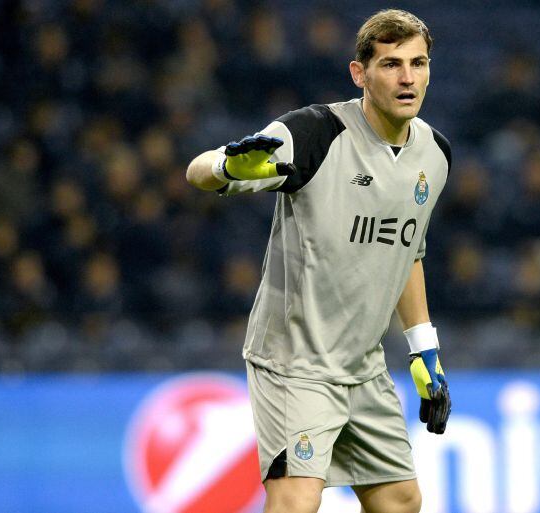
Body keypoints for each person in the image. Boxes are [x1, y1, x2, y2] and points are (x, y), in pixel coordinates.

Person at [186, 9, 451, 513]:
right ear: (360, 74)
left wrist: (424, 350)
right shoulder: (313, 134)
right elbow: (197, 172)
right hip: (296, 361)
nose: (408, 77)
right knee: (296, 501)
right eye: (392, 64)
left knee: (399, 499)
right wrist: (225, 166)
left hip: (363, 364)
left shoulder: (435, 155)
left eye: (418, 63)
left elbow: (407, 251)